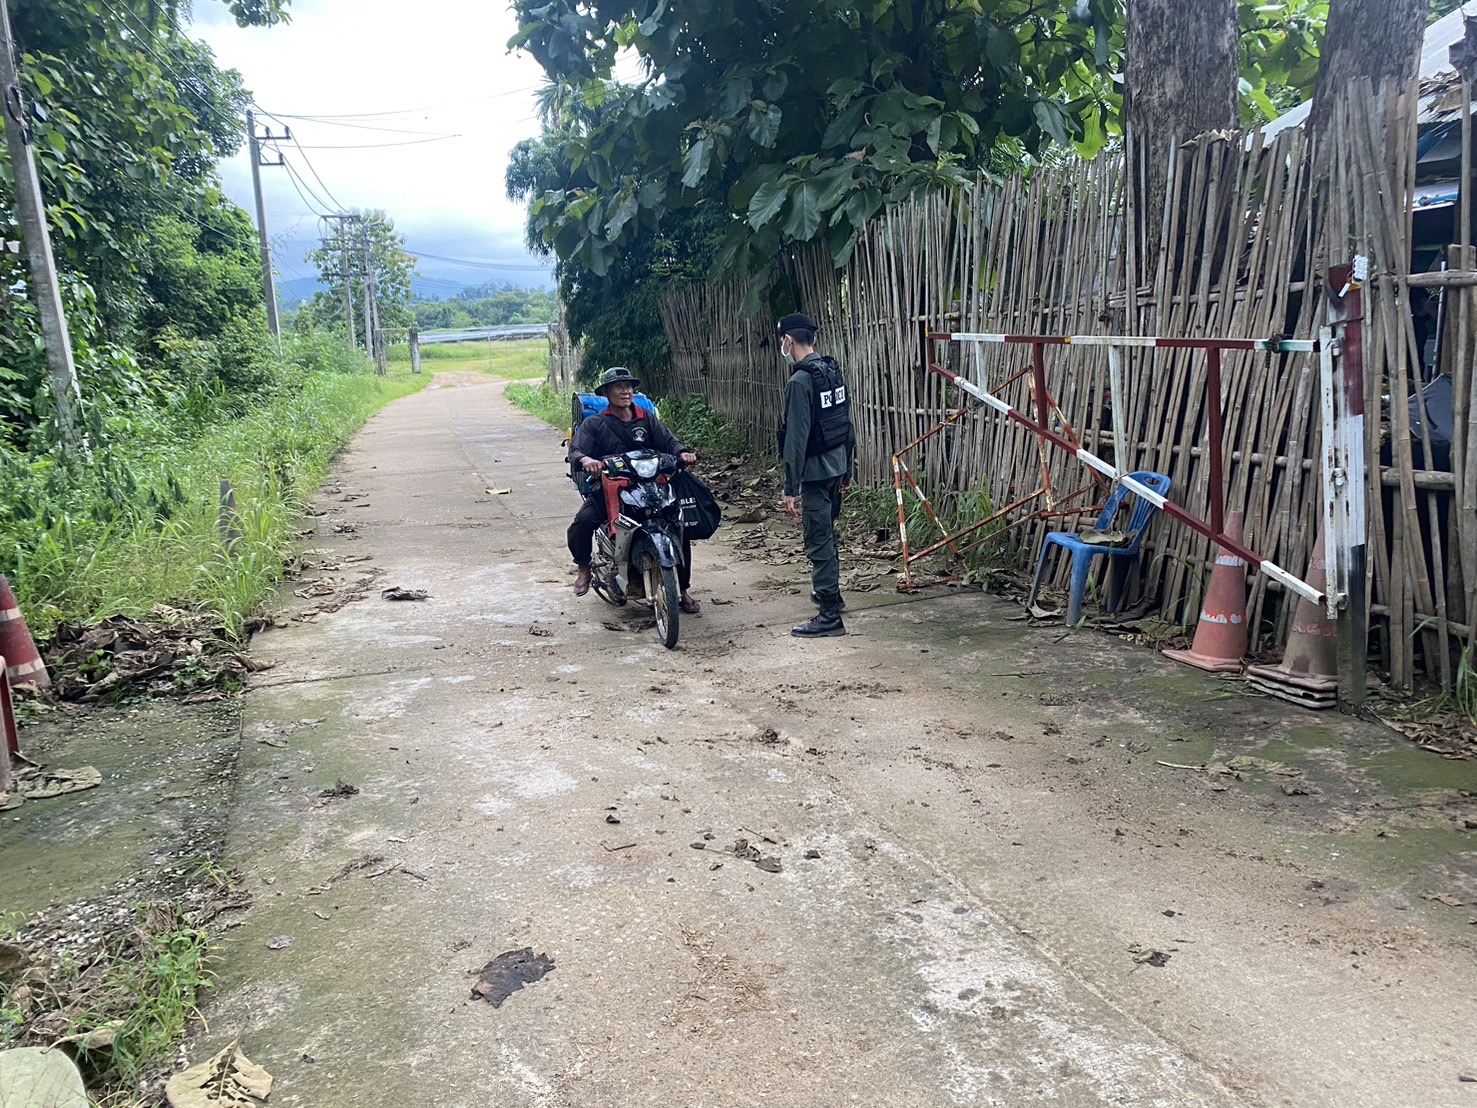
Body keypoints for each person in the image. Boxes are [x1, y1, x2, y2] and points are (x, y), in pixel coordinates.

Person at [567, 367, 701, 612]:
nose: (625, 391)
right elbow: (577, 450)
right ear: (606, 393)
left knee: (677, 526)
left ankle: (681, 589)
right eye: (619, 386)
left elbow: (669, 441)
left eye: (628, 386)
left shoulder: (646, 418)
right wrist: (587, 460)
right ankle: (584, 567)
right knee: (582, 523)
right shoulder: (595, 424)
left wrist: (682, 453)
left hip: (650, 486)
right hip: (611, 487)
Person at [777, 313, 855, 638]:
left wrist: (789, 487)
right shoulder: (831, 371)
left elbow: (796, 439)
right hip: (836, 466)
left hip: (815, 474)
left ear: (788, 341)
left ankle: (829, 615)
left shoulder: (800, 382)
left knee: (818, 539)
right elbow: (846, 423)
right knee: (828, 534)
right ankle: (831, 594)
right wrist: (849, 468)